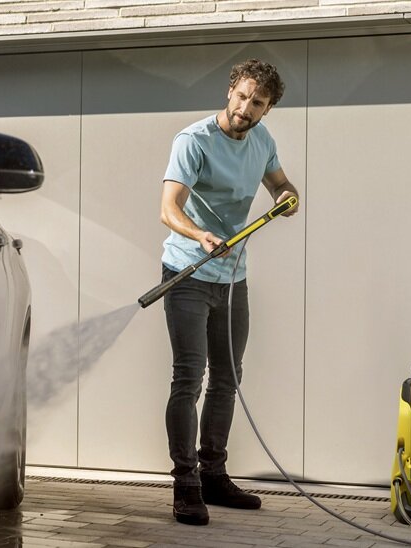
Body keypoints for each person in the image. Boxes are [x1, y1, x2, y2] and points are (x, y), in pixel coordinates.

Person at [159, 58, 300, 526]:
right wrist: (200, 234)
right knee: (188, 378)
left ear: (268, 108)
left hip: (232, 278)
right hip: (188, 271)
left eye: (257, 103)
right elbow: (168, 209)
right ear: (230, 92)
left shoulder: (262, 141)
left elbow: (281, 184)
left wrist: (286, 197)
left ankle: (214, 475)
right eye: (241, 97)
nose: (245, 108)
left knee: (227, 378)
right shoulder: (193, 141)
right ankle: (186, 484)